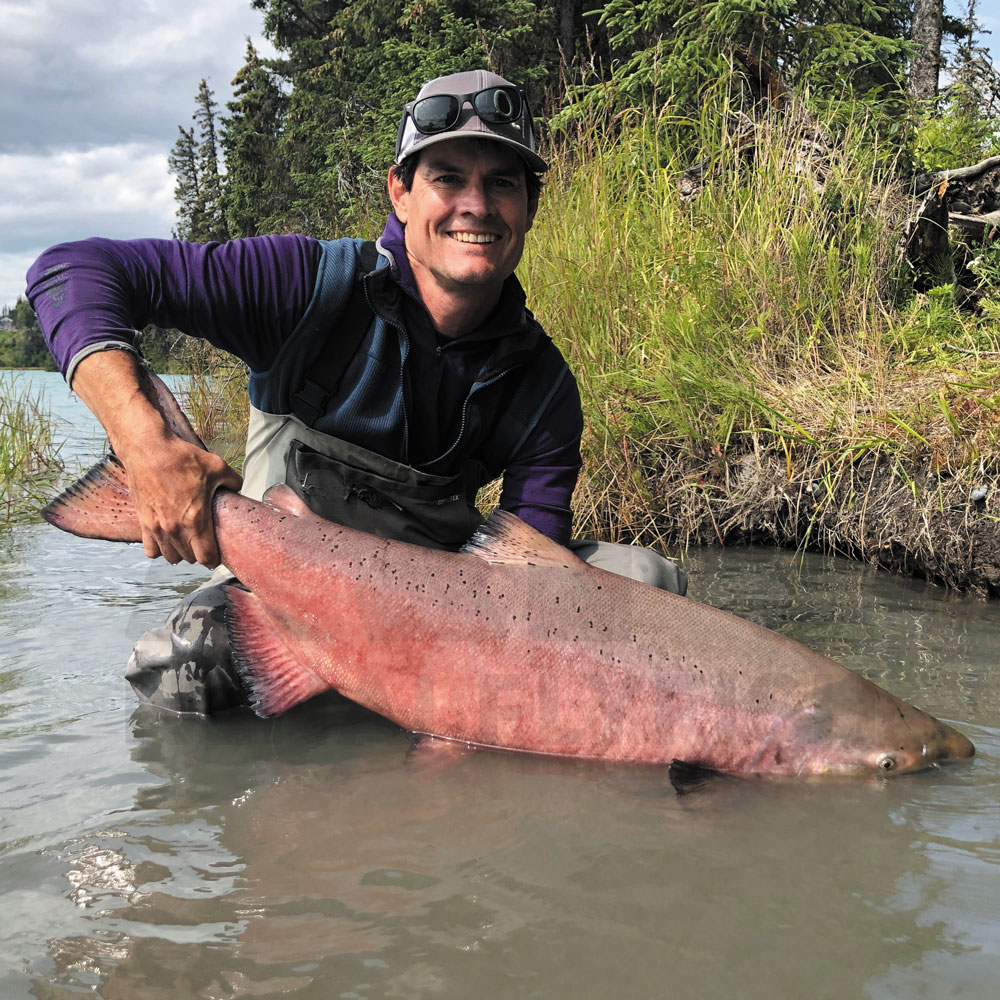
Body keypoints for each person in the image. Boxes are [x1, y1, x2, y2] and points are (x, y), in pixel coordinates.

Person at [27, 69, 686, 716]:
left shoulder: (542, 388)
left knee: (650, 589)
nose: (476, 205)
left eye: (501, 183)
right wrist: (144, 445)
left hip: (442, 606)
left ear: (529, 208)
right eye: (446, 177)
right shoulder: (308, 286)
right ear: (399, 193)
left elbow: (535, 583)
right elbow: (71, 271)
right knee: (182, 672)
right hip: (281, 587)